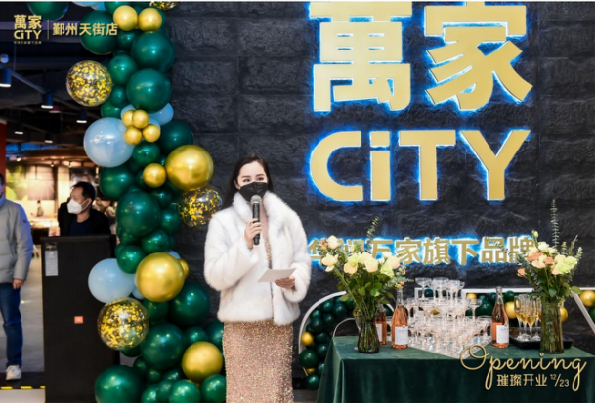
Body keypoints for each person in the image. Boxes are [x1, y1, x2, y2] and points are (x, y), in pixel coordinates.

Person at [204, 154, 311, 403]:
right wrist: (244, 245)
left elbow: (301, 260)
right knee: (244, 395)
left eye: (259, 178)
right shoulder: (222, 222)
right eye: (247, 179)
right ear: (236, 183)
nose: (254, 183)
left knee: (275, 393)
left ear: (268, 180)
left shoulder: (287, 218)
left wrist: (293, 281)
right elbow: (214, 275)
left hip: (277, 327)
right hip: (241, 328)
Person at [0, 173, 34, 381]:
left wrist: (19, 274)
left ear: (2, 186)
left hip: (7, 278)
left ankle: (14, 364)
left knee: (11, 323)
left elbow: (25, 245)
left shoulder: (14, 210)